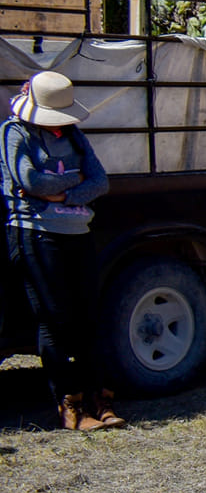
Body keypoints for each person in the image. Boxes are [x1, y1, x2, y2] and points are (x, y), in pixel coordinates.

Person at [3, 72, 119, 431]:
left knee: (88, 315)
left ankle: (98, 398)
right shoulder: (14, 132)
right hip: (36, 234)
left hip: (77, 231)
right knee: (54, 318)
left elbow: (101, 181)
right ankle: (69, 404)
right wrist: (75, 179)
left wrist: (61, 193)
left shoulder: (72, 134)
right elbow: (28, 180)